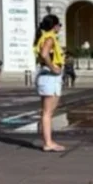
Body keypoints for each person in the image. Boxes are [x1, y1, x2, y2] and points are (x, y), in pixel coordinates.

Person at [33, 14, 65, 152]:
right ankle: (48, 142)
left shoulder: (44, 37)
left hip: (49, 77)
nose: (60, 27)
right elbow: (45, 54)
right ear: (54, 26)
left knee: (48, 112)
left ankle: (48, 140)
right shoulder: (49, 38)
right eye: (59, 25)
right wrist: (53, 68)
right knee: (47, 112)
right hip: (49, 76)